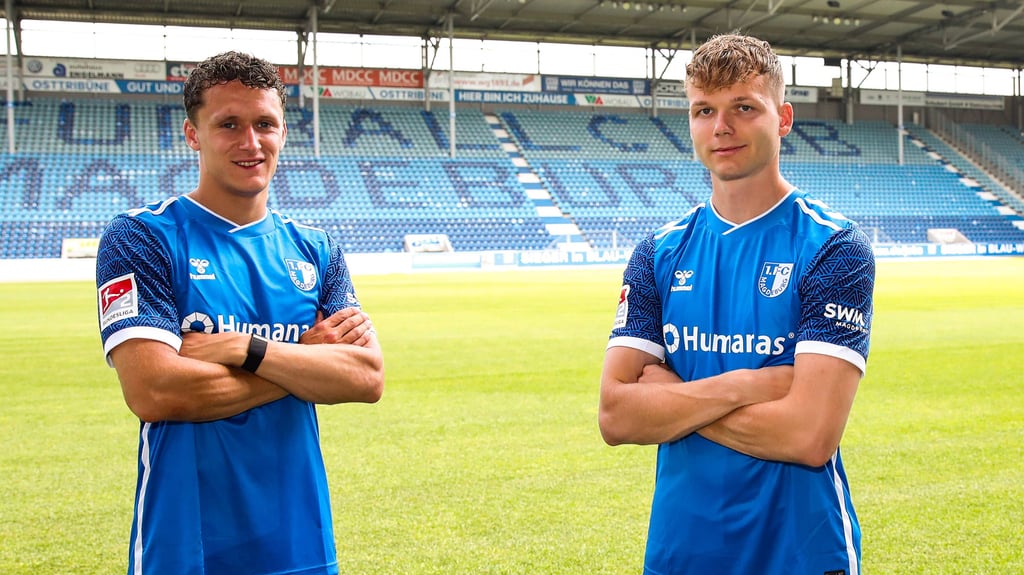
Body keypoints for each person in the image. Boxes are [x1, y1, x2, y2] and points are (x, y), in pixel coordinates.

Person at [95, 51, 384, 575]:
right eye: (229, 124)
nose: (251, 143)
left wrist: (244, 350)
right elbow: (156, 391)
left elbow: (366, 377)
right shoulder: (142, 237)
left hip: (301, 541)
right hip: (188, 542)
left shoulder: (316, 250)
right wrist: (301, 362)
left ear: (283, 133)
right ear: (193, 134)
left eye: (265, 124)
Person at [598, 34, 874, 575]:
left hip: (800, 551)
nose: (721, 127)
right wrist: (746, 385)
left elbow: (809, 436)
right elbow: (615, 415)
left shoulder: (835, 249)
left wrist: (672, 398)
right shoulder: (658, 252)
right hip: (681, 551)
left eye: (743, 107)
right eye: (704, 110)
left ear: (784, 118)